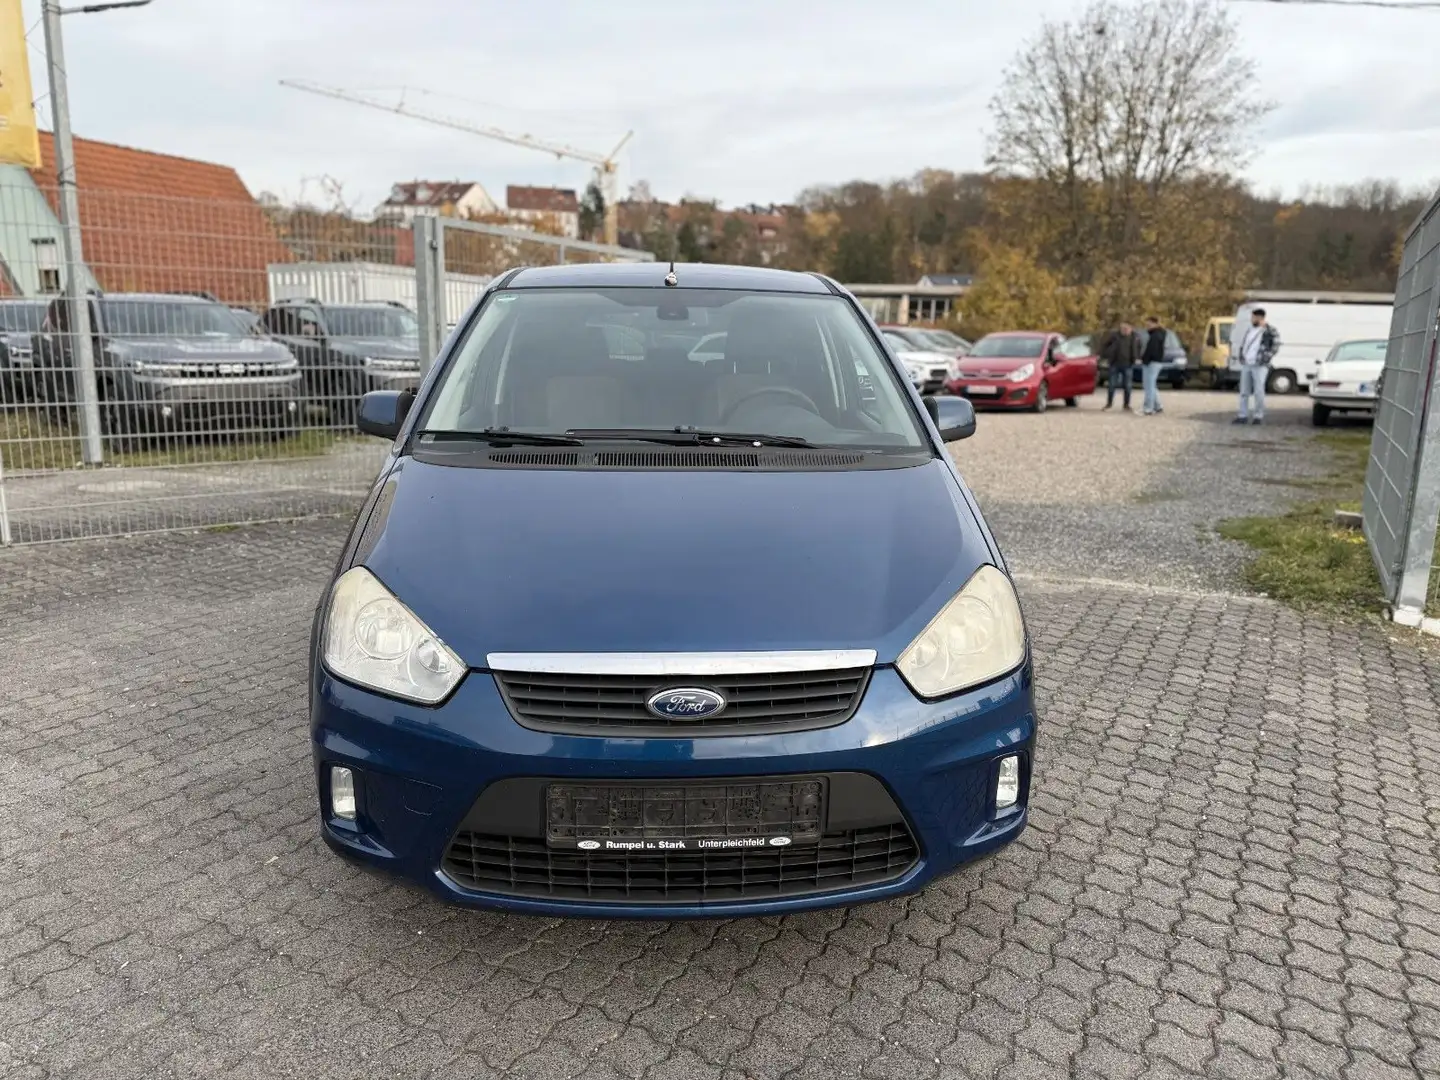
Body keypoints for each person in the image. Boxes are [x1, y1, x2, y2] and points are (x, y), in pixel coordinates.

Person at [1234, 308, 1280, 425]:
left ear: (1260, 318)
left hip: (1259, 364)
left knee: (1259, 391)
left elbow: (1275, 345)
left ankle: (1258, 415)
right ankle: (1242, 415)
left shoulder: (1269, 330)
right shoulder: (1249, 330)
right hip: (1247, 364)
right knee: (1244, 391)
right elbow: (1245, 344)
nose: (1252, 319)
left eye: (1254, 317)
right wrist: (1242, 356)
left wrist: (1266, 358)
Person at [1101, 321, 1141, 411]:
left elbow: (1138, 348)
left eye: (1126, 329)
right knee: (1111, 385)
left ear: (1131, 328)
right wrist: (1107, 355)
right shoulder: (1114, 335)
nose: (1125, 331)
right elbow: (1105, 345)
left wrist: (1137, 357)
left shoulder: (1135, 337)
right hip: (1114, 363)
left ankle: (1126, 404)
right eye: (1123, 328)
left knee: (1127, 385)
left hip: (1128, 364)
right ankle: (1109, 404)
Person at [1141, 316, 1167, 416]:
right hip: (1155, 362)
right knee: (1151, 385)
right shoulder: (1159, 334)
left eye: (1149, 324)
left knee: (1149, 386)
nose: (1147, 326)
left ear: (1155, 323)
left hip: (1152, 362)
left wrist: (1145, 360)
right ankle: (1158, 406)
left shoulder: (1155, 335)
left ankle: (1148, 408)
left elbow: (1152, 350)